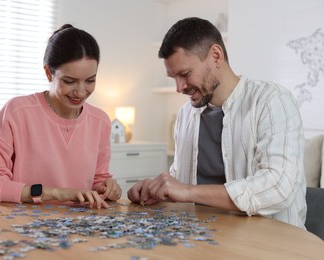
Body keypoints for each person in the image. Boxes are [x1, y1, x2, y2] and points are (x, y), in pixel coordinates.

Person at [127, 17, 307, 228]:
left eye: (185, 74)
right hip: (203, 238)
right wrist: (156, 190)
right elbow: (181, 179)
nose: (179, 87)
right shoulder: (186, 115)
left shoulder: (272, 101)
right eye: (173, 77)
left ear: (216, 55)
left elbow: (278, 187)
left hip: (270, 243)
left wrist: (186, 191)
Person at [0, 24, 122, 208]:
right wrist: (55, 193)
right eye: (69, 81)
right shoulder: (17, 112)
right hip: (21, 229)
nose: (80, 92)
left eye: (90, 80)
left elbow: (99, 179)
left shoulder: (100, 121)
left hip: (79, 230)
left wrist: (108, 187)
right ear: (48, 72)